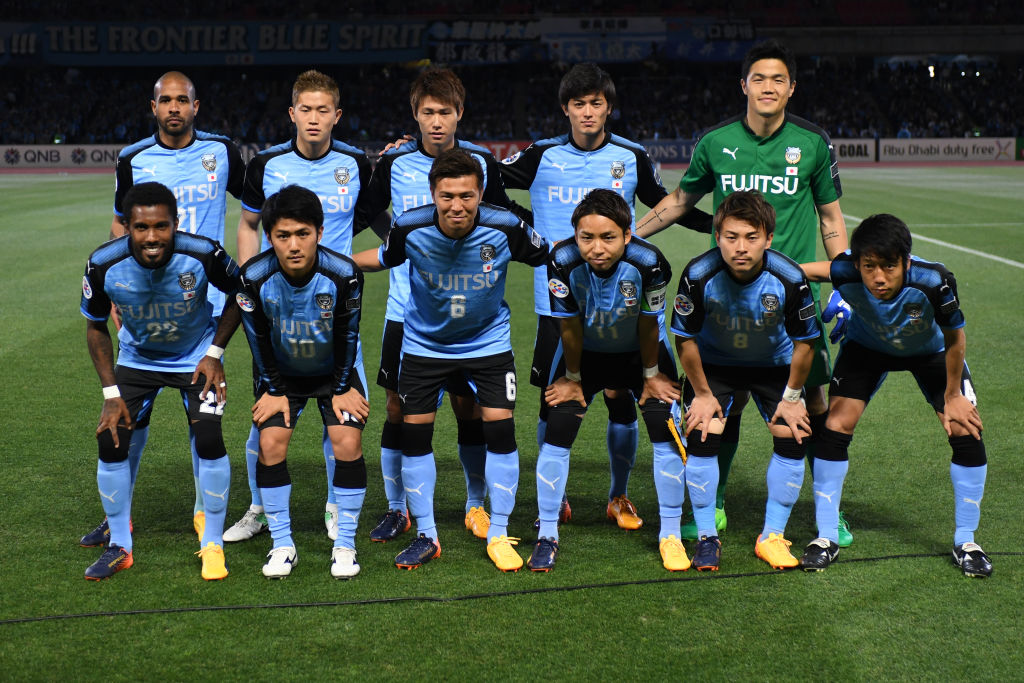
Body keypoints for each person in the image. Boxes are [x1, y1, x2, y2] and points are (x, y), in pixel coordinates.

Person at [635, 40, 850, 546]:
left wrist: (843, 279)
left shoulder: (812, 143)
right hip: (725, 297)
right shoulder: (715, 142)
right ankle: (714, 502)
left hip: (792, 298)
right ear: (744, 86)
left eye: (778, 79)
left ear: (791, 87)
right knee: (718, 402)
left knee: (811, 400)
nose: (768, 87)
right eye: (759, 79)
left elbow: (830, 218)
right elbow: (680, 200)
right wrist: (631, 238)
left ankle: (828, 510)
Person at [498, 62, 712, 531]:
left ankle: (619, 495)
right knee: (553, 402)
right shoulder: (542, 154)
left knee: (621, 401)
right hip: (558, 303)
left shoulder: (631, 155)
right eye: (579, 104)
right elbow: (489, 182)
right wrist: (530, 229)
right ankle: (557, 499)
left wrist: (720, 226)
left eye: (596, 103)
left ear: (608, 107)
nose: (588, 112)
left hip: (622, 305)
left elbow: (666, 203)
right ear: (565, 109)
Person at [352, 148, 549, 572]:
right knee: (415, 436)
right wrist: (332, 263)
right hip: (425, 346)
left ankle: (498, 532)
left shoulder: (506, 226)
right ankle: (427, 535)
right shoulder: (410, 226)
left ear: (480, 194)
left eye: (466, 196)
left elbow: (553, 257)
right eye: (447, 196)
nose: (456, 206)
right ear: (433, 194)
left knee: (500, 430)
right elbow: (383, 259)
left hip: (487, 345)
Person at [361, 67, 530, 544]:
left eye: (446, 112)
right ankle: (398, 509)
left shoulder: (481, 162)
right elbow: (368, 211)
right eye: (428, 112)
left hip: (470, 313)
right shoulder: (394, 162)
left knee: (469, 409)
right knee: (397, 409)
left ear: (460, 114)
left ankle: (476, 504)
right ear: (415, 114)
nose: (437, 121)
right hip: (406, 310)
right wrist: (407, 245)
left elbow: (503, 216)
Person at [82, 71, 245, 547]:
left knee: (203, 422)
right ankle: (120, 517)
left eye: (182, 100)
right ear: (153, 107)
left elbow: (256, 202)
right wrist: (121, 286)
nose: (174, 108)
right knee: (129, 420)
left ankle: (203, 512)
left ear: (196, 106)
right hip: (146, 296)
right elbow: (121, 222)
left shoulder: (222, 151)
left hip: (207, 302)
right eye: (166, 100)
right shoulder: (132, 158)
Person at [226, 70, 377, 545]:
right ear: (292, 114)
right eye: (305, 109)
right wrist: (252, 281)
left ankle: (336, 506)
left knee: (342, 416)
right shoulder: (266, 164)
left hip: (335, 308)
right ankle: (259, 509)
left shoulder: (356, 163)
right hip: (278, 309)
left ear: (337, 115)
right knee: (266, 417)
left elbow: (379, 220)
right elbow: (249, 223)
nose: (314, 118)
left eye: (322, 110)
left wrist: (361, 264)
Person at [797, 214, 990, 577]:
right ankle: (826, 536)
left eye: (889, 266)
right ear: (857, 264)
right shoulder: (846, 271)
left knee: (965, 428)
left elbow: (955, 338)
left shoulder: (934, 281)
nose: (879, 277)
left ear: (906, 261)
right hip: (867, 348)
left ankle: (967, 541)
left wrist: (953, 395)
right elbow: (802, 271)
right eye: (869, 266)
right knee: (835, 426)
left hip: (930, 352)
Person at [80, 182, 241, 581]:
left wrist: (214, 353)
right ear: (127, 227)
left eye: (161, 226)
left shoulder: (203, 253)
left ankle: (212, 541)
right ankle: (120, 543)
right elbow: (96, 326)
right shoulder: (103, 264)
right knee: (112, 439)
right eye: (141, 227)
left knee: (209, 438)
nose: (151, 237)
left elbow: (242, 292)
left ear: (176, 224)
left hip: (196, 358)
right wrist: (111, 393)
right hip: (138, 358)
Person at [531, 189, 681, 572]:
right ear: (575, 235)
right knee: (556, 427)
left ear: (627, 235)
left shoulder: (650, 262)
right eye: (587, 237)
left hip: (639, 352)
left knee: (665, 433)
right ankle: (547, 532)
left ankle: (668, 533)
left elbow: (649, 323)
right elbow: (568, 326)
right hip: (586, 353)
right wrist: (572, 378)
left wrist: (651, 375)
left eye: (608, 237)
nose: (597, 248)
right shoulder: (561, 260)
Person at [670, 190, 821, 571]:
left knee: (793, 433)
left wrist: (792, 397)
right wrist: (702, 394)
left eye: (751, 237)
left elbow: (805, 344)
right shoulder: (698, 274)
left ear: (768, 238)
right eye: (731, 237)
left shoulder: (790, 277)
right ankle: (707, 536)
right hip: (716, 364)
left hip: (773, 364)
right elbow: (684, 338)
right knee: (703, 429)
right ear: (717, 236)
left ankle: (772, 536)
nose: (741, 247)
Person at [237, 184, 369, 579]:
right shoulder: (253, 277)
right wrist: (274, 390)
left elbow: (348, 334)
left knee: (348, 441)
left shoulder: (344, 274)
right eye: (282, 236)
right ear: (269, 236)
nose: (293, 245)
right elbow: (257, 339)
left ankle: (345, 545)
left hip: (334, 372)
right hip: (282, 374)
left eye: (303, 234)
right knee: (270, 443)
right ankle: (282, 545)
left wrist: (343, 387)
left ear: (319, 232)